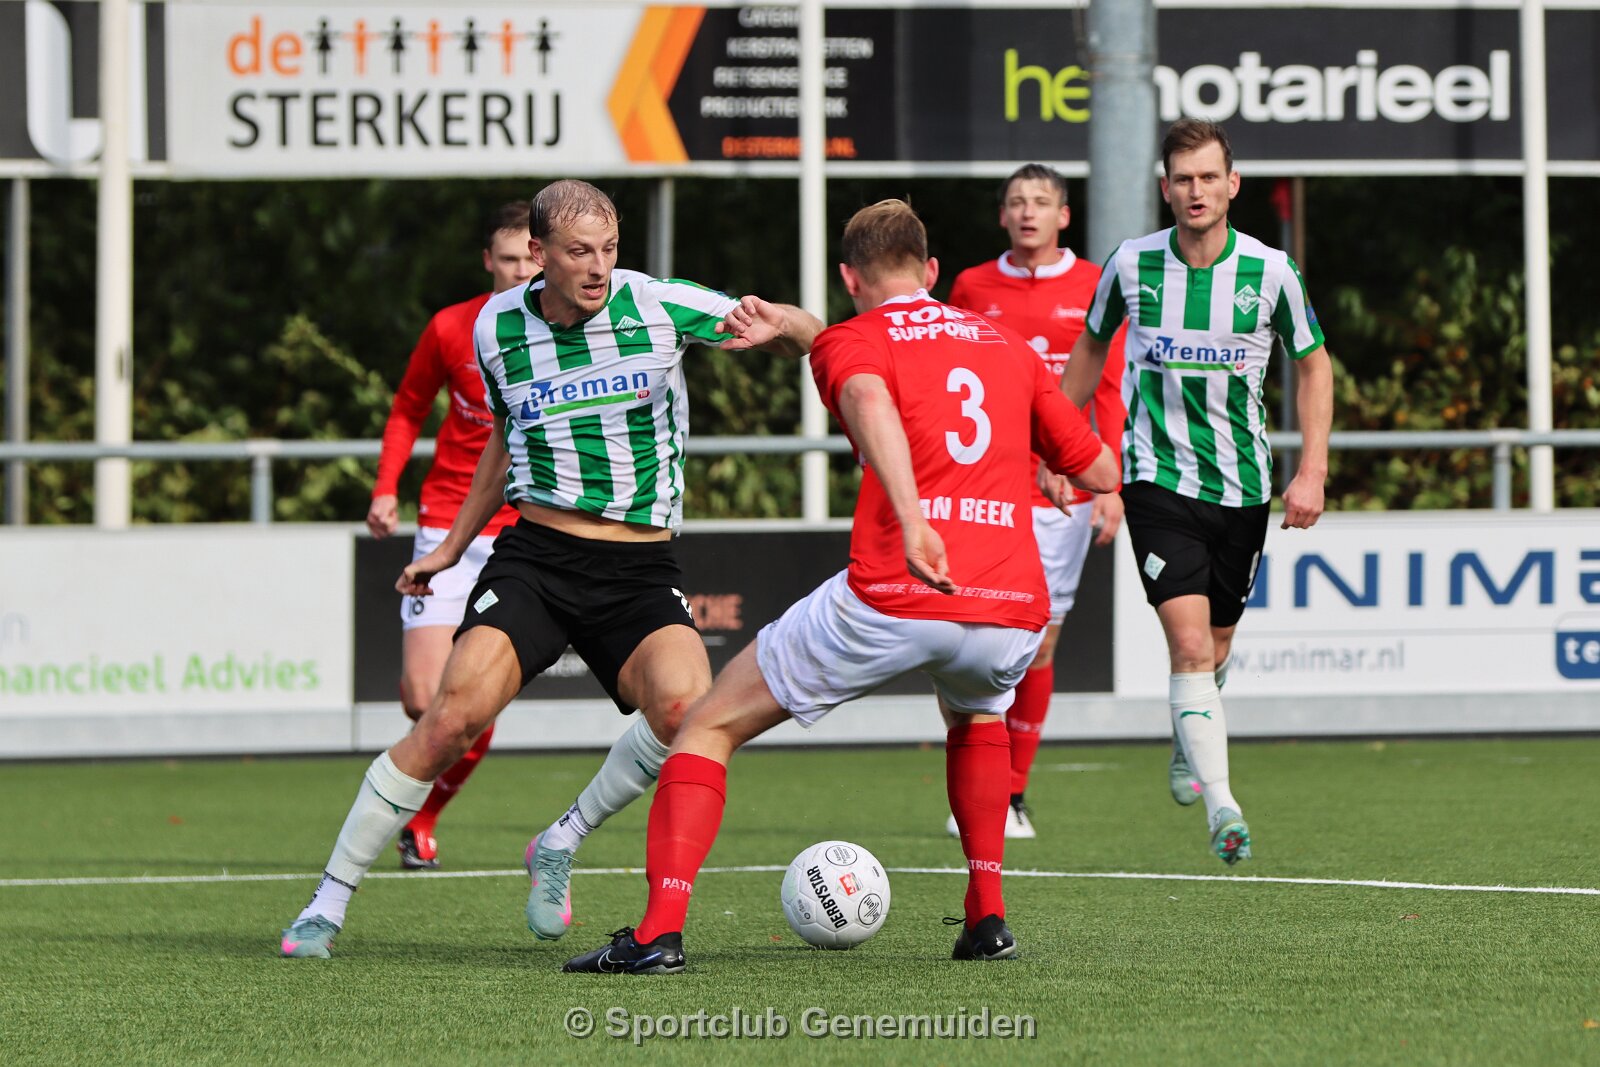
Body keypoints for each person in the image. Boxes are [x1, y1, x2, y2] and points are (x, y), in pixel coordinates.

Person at [562, 199, 1119, 975]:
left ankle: (657, 933)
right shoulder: (1009, 346)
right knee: (976, 713)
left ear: (849, 278)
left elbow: (865, 393)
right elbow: (1101, 469)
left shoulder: (854, 342)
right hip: (1007, 606)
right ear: (932, 271)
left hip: (897, 589)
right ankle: (986, 917)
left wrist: (914, 517)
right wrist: (1053, 463)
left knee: (707, 726)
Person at [280, 179, 822, 958]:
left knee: (685, 715)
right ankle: (325, 905)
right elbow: (504, 442)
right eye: (579, 252)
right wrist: (449, 547)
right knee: (449, 716)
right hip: (537, 559)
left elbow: (810, 338)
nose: (599, 267)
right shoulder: (496, 326)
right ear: (537, 254)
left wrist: (787, 324)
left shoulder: (660, 304)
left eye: (609, 248)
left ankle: (561, 837)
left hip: (638, 567)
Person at [1062, 119, 1333, 865]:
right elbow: (1091, 345)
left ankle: (1191, 737)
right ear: (1165, 188)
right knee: (1186, 643)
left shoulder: (1271, 271)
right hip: (1155, 479)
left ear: (1232, 185)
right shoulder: (1131, 263)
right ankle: (1224, 807)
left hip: (1243, 487)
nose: (1196, 191)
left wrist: (1311, 468)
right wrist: (1061, 441)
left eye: (1209, 177)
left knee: (1215, 644)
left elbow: (1314, 364)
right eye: (1183, 178)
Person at [944, 163, 1128, 840]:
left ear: (1063, 216)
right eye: (1017, 202)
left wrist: (1111, 485)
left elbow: (1110, 389)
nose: (1028, 212)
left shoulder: (1094, 285)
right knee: (974, 641)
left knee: (1041, 640)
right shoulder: (971, 286)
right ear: (1002, 215)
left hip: (1063, 489)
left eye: (1041, 201)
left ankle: (1012, 792)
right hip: (986, 487)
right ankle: (975, 783)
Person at [366, 202, 534, 871]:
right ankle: (419, 791)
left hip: (524, 532)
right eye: (508, 259)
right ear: (488, 261)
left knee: (473, 702)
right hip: (445, 522)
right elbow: (408, 407)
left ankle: (424, 815)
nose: (520, 270)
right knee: (422, 698)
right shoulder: (450, 327)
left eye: (530, 258)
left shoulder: (572, 333)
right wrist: (385, 487)